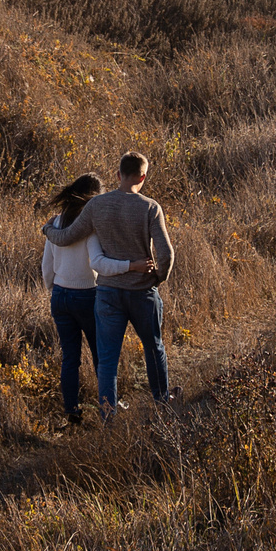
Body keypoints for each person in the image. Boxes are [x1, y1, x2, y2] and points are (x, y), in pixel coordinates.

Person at [43, 151, 175, 409]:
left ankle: (107, 416)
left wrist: (48, 229)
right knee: (154, 347)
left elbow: (66, 237)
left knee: (106, 360)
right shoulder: (150, 207)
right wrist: (157, 278)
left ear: (118, 174)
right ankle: (162, 402)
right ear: (143, 177)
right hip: (141, 290)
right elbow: (166, 253)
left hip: (107, 294)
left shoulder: (96, 206)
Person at [38, 173, 106, 423]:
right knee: (102, 355)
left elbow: (48, 265)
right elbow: (98, 262)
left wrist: (54, 290)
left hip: (60, 294)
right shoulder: (91, 224)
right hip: (88, 293)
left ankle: (72, 412)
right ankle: (108, 408)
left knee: (70, 358)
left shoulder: (56, 223)